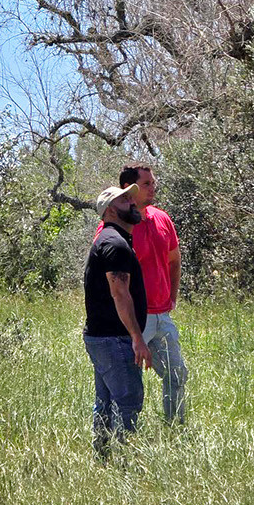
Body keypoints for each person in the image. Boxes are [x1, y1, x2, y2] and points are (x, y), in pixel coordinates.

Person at [83, 183, 152, 457]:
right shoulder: (115, 244)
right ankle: (126, 461)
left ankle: (103, 456)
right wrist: (137, 338)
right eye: (125, 201)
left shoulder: (112, 241)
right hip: (114, 339)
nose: (132, 204)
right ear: (110, 210)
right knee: (128, 401)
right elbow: (120, 294)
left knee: (106, 401)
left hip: (103, 337)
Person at [119, 163, 187, 424]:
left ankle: (175, 427)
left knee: (177, 373)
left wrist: (173, 295)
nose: (153, 187)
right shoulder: (118, 224)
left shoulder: (162, 218)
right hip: (135, 318)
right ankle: (122, 434)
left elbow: (174, 259)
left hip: (162, 315)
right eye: (146, 184)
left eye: (153, 183)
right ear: (129, 188)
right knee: (127, 381)